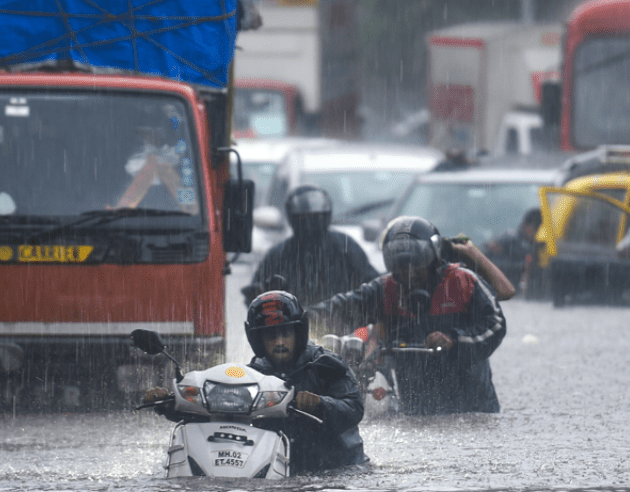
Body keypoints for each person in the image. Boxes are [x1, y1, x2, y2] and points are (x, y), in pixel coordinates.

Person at [145, 290, 366, 473]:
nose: (279, 341)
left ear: (299, 332)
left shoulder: (326, 365)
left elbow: (354, 408)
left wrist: (320, 404)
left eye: (286, 333)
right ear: (257, 339)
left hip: (337, 468)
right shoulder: (253, 375)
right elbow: (214, 413)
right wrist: (170, 404)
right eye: (271, 335)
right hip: (279, 468)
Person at [310, 216, 506, 415]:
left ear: (434, 257)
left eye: (416, 263)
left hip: (475, 408)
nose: (408, 273)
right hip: (417, 410)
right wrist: (299, 319)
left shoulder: (463, 280)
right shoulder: (385, 289)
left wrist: (454, 340)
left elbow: (496, 325)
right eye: (399, 264)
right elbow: (342, 309)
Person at [243, 185, 380, 307]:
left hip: (344, 327)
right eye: (305, 218)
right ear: (294, 219)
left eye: (318, 217)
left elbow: (373, 283)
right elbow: (255, 299)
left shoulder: (345, 247)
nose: (312, 224)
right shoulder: (278, 254)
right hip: (295, 329)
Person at [483, 207, 542, 295]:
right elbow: (489, 248)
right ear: (525, 225)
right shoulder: (511, 239)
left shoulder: (535, 245)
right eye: (535, 228)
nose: (537, 231)